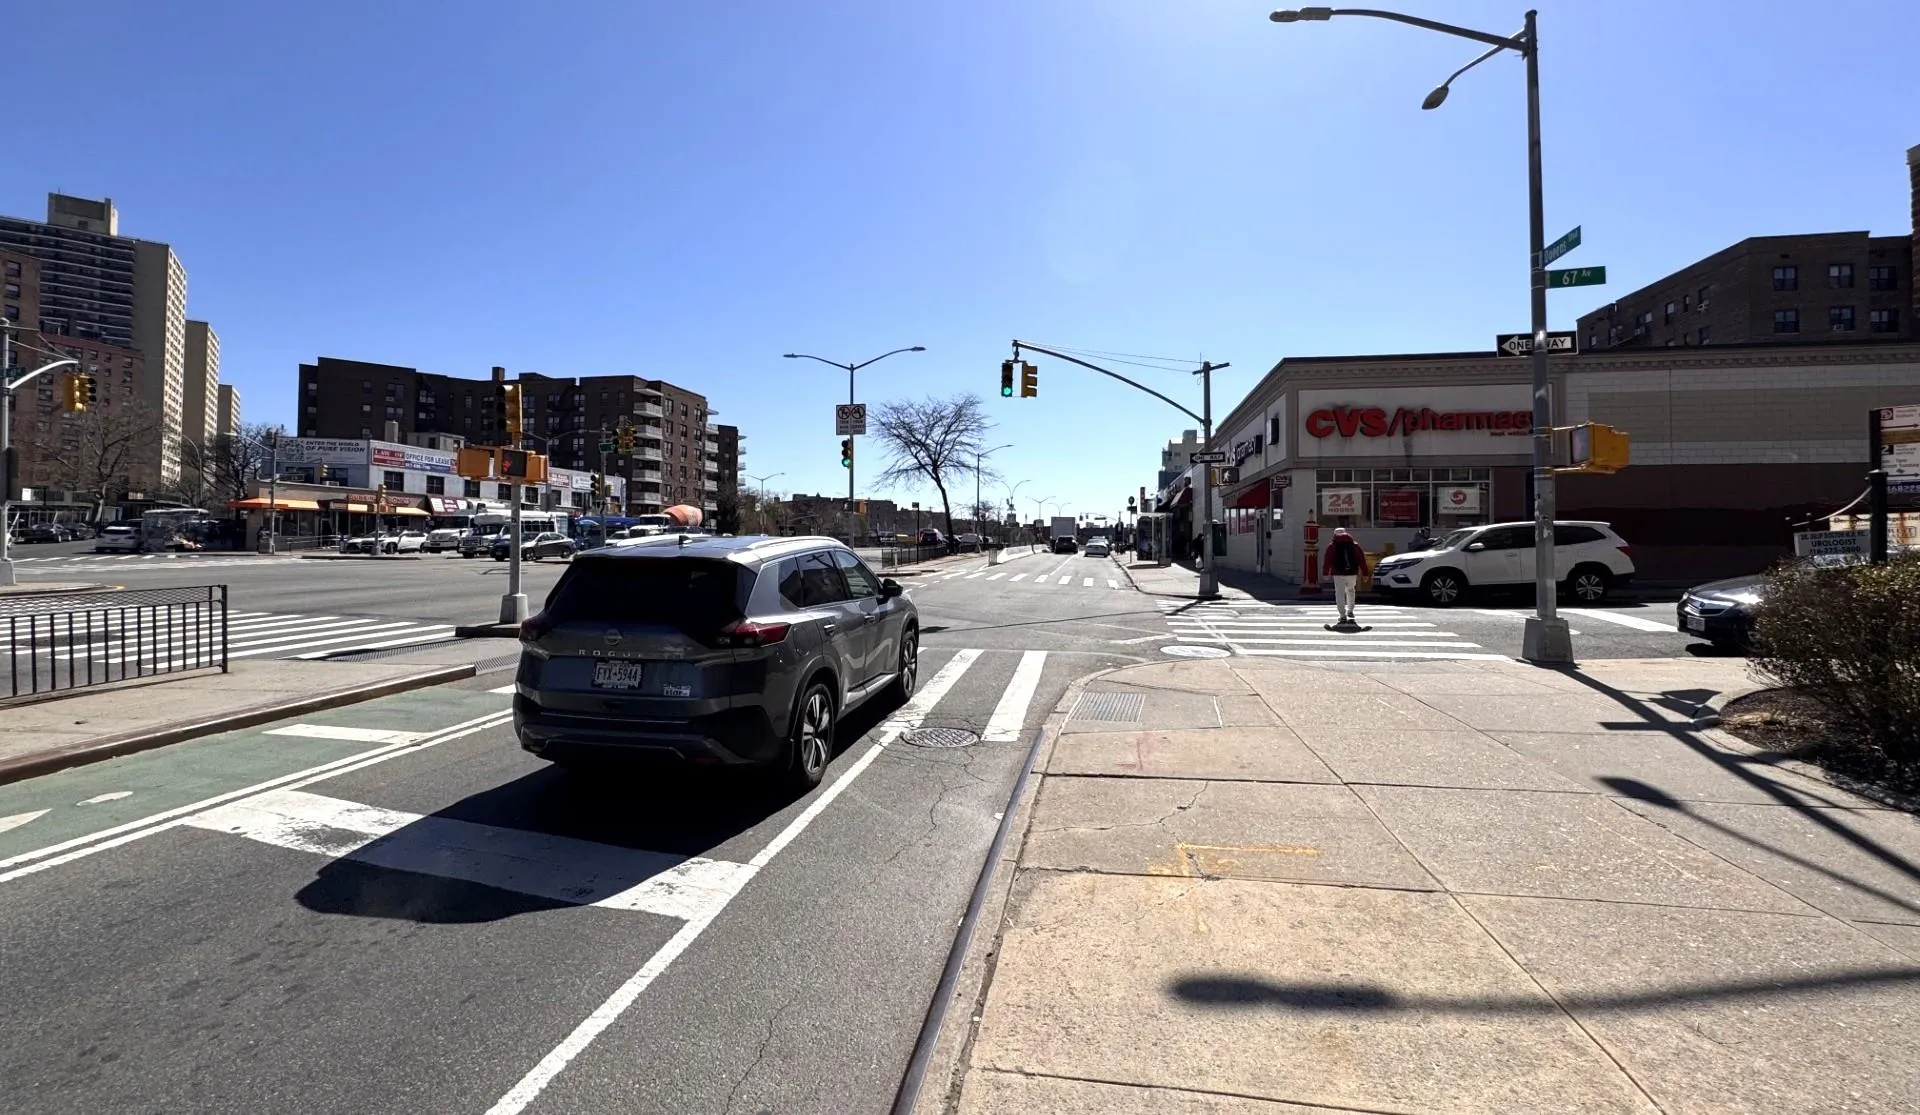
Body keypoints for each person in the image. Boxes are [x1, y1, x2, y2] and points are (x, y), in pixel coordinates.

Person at [1321, 527, 1369, 625]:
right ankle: (1350, 610)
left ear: (1335, 535)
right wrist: (1365, 573)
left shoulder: (1332, 546)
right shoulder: (1354, 545)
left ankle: (1342, 615)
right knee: (1351, 590)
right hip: (1352, 573)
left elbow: (1327, 560)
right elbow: (1361, 559)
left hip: (1338, 573)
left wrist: (1326, 573)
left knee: (1339, 593)